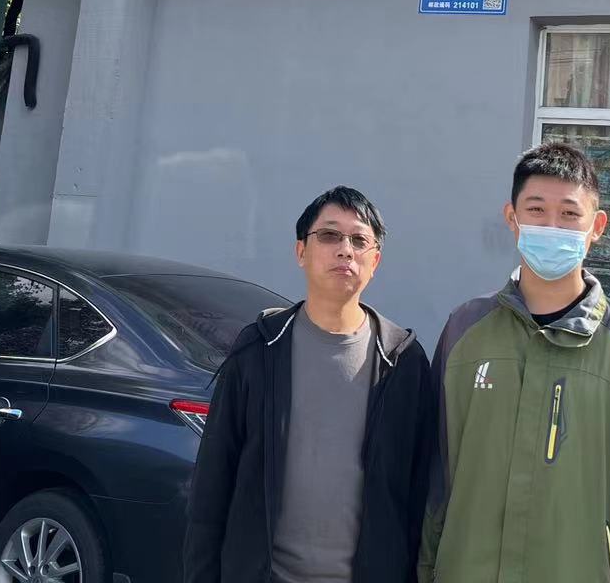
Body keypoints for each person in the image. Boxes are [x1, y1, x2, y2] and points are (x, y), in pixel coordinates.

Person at [420, 142, 610, 583]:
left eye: (569, 214)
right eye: (536, 210)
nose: (551, 226)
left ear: (597, 226)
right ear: (512, 218)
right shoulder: (466, 330)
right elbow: (433, 474)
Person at [184, 186, 434, 583]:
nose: (345, 250)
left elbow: (420, 494)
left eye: (359, 240)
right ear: (301, 251)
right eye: (329, 235)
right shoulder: (259, 349)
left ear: (375, 261)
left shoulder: (402, 361)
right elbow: (212, 486)